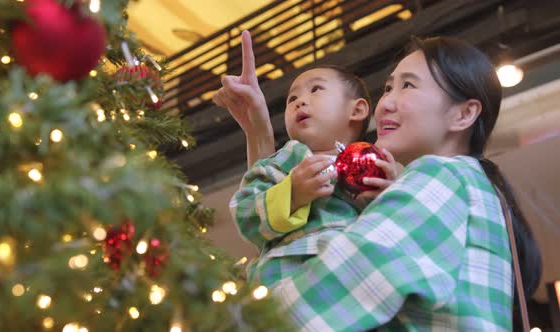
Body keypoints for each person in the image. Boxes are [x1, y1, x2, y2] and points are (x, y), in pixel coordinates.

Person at [217, 33, 542, 331]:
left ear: (463, 114)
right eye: (387, 88)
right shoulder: (470, 187)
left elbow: (339, 286)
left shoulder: (444, 177)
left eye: (408, 86)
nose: (385, 103)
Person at [214, 31, 400, 287]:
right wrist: (292, 194)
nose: (300, 101)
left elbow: (394, 232)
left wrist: (386, 195)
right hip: (284, 278)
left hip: (350, 280)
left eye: (316, 90)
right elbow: (246, 216)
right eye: (292, 99)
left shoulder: (373, 161)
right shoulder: (287, 159)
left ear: (356, 110)